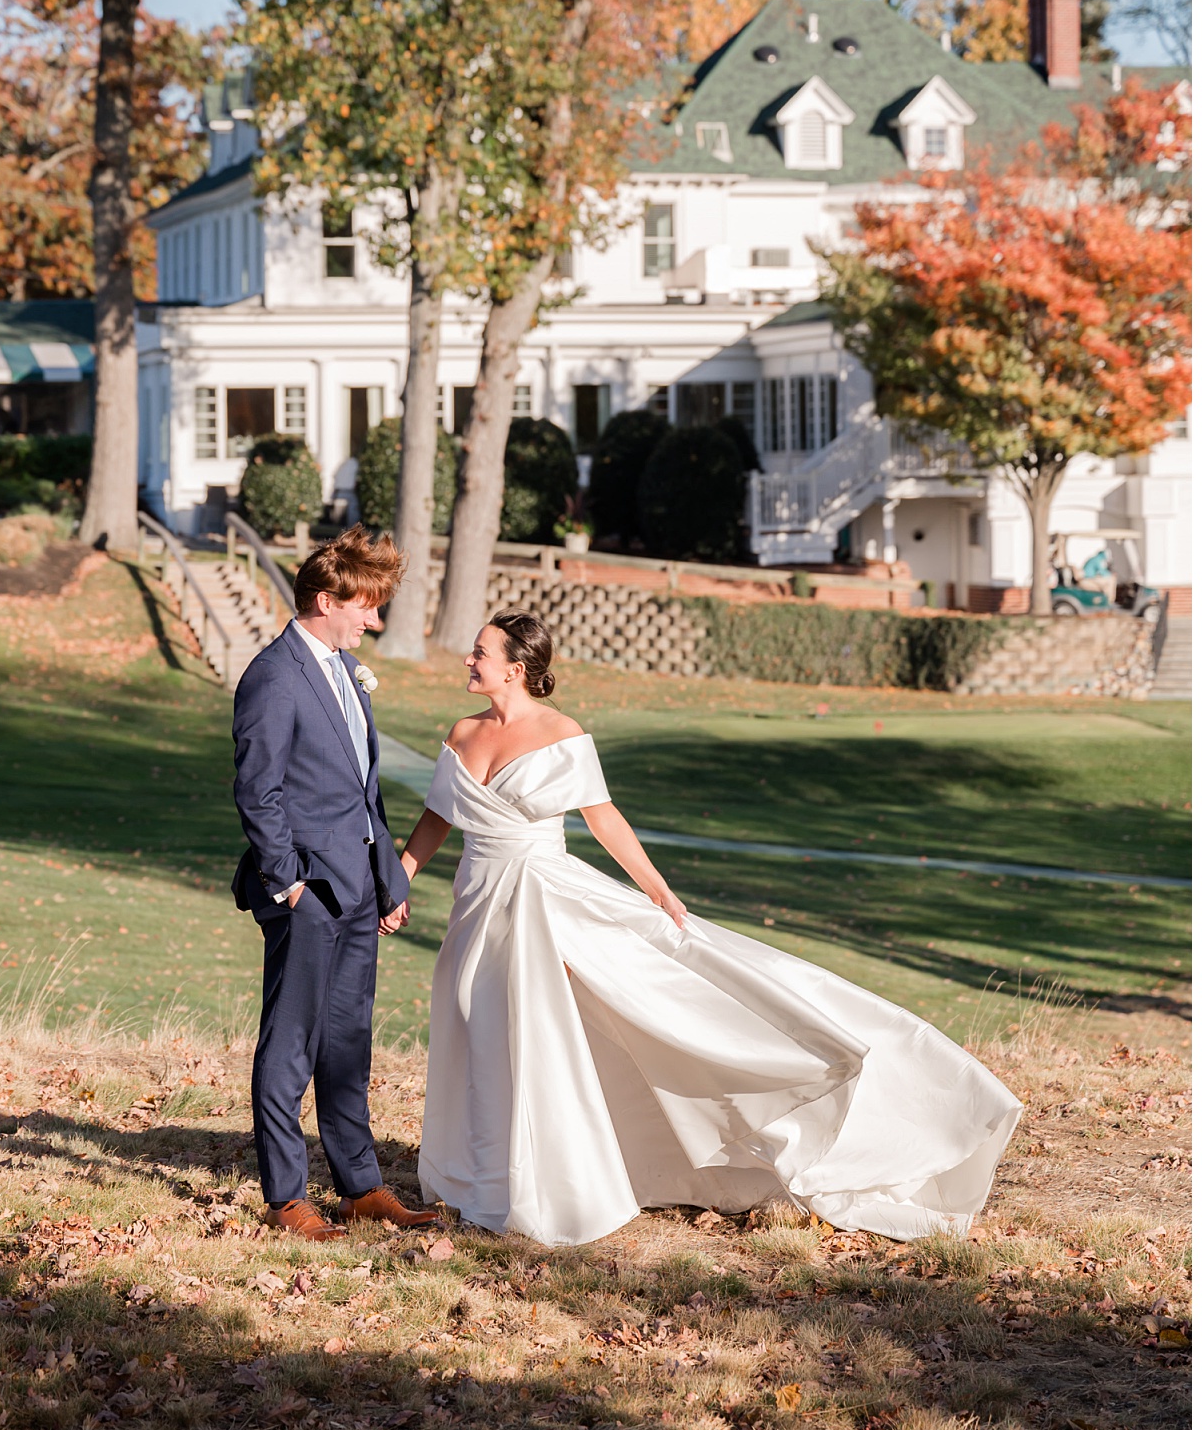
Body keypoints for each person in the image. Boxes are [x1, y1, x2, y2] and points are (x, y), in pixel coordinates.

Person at [398, 611, 1020, 1247]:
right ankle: (475, 1170)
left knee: (538, 1030)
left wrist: (657, 888)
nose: (467, 661)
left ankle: (547, 1180)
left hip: (540, 899)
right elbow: (436, 819)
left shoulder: (562, 733)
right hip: (478, 901)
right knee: (472, 1022)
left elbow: (603, 817)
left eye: (479, 652)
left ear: (515, 668)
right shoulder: (462, 731)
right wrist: (401, 879)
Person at [232, 527, 438, 1242]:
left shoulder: (344, 672)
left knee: (348, 1040)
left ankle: (360, 1187)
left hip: (358, 891)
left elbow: (362, 791)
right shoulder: (273, 675)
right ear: (327, 600)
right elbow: (258, 792)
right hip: (309, 893)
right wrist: (288, 884)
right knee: (290, 1045)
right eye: (366, 607)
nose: (372, 621)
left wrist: (387, 879)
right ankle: (287, 1196)